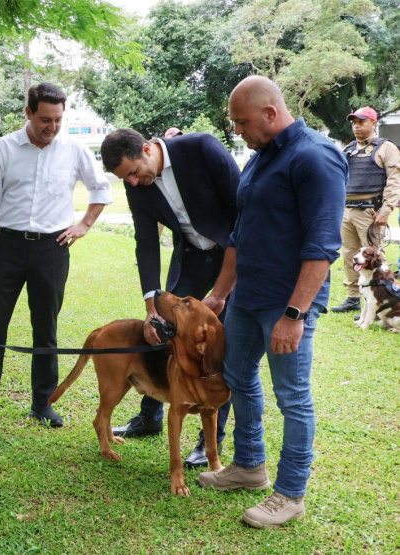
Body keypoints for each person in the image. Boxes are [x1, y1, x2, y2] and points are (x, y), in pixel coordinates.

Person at [196, 76, 345, 528]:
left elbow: (322, 245)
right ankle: (249, 466)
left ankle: (291, 493)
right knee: (238, 376)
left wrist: (295, 315)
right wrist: (220, 293)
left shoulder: (315, 157)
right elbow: (240, 236)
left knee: (292, 397)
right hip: (247, 297)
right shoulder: (259, 159)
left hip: (287, 303)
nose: (237, 131)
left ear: (270, 113)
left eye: (242, 122)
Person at [0, 82, 113, 433]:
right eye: (44, 119)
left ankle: (43, 403)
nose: (51, 127)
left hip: (52, 249)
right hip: (7, 248)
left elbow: (101, 188)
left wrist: (84, 224)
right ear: (28, 113)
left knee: (46, 329)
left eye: (57, 120)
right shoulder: (4, 148)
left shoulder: (73, 150)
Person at [100, 127, 239, 468]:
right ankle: (151, 416)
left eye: (132, 173)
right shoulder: (136, 184)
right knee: (162, 331)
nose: (131, 183)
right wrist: (150, 305)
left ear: (147, 149)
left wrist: (223, 290)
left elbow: (244, 211)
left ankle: (210, 442)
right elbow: (146, 241)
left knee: (223, 346)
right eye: (124, 179)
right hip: (190, 257)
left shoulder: (202, 148)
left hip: (233, 256)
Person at [330, 107, 400, 314]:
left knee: (375, 259)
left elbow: (394, 182)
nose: (356, 126)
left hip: (371, 212)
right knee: (350, 255)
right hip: (347, 210)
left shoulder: (386, 148)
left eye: (361, 122)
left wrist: (386, 210)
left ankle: (384, 299)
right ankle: (353, 298)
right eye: (354, 122)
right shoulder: (349, 148)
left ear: (373, 123)